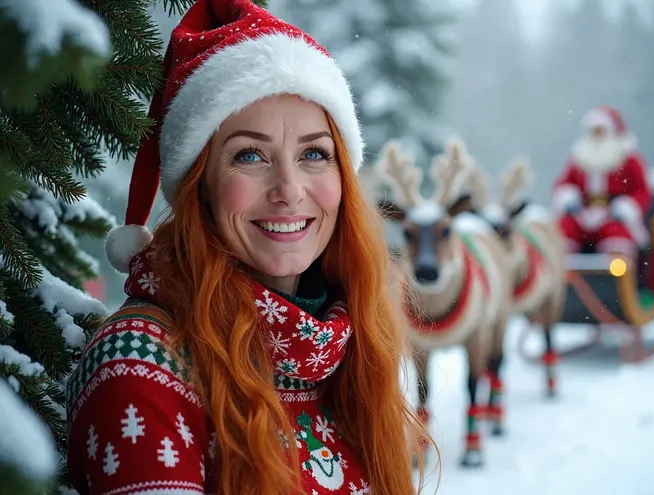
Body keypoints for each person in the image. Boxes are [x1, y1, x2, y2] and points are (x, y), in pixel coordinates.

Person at [64, 1, 431, 494]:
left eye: (314, 154)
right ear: (201, 186)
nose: (289, 188)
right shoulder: (143, 366)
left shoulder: (350, 347)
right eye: (250, 155)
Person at [551, 106, 653, 258]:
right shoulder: (579, 160)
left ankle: (618, 278)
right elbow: (563, 185)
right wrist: (569, 201)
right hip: (583, 214)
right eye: (593, 132)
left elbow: (642, 190)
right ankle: (566, 272)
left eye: (601, 131)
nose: (597, 136)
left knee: (617, 237)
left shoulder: (628, 160)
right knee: (564, 231)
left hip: (614, 216)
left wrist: (625, 208)